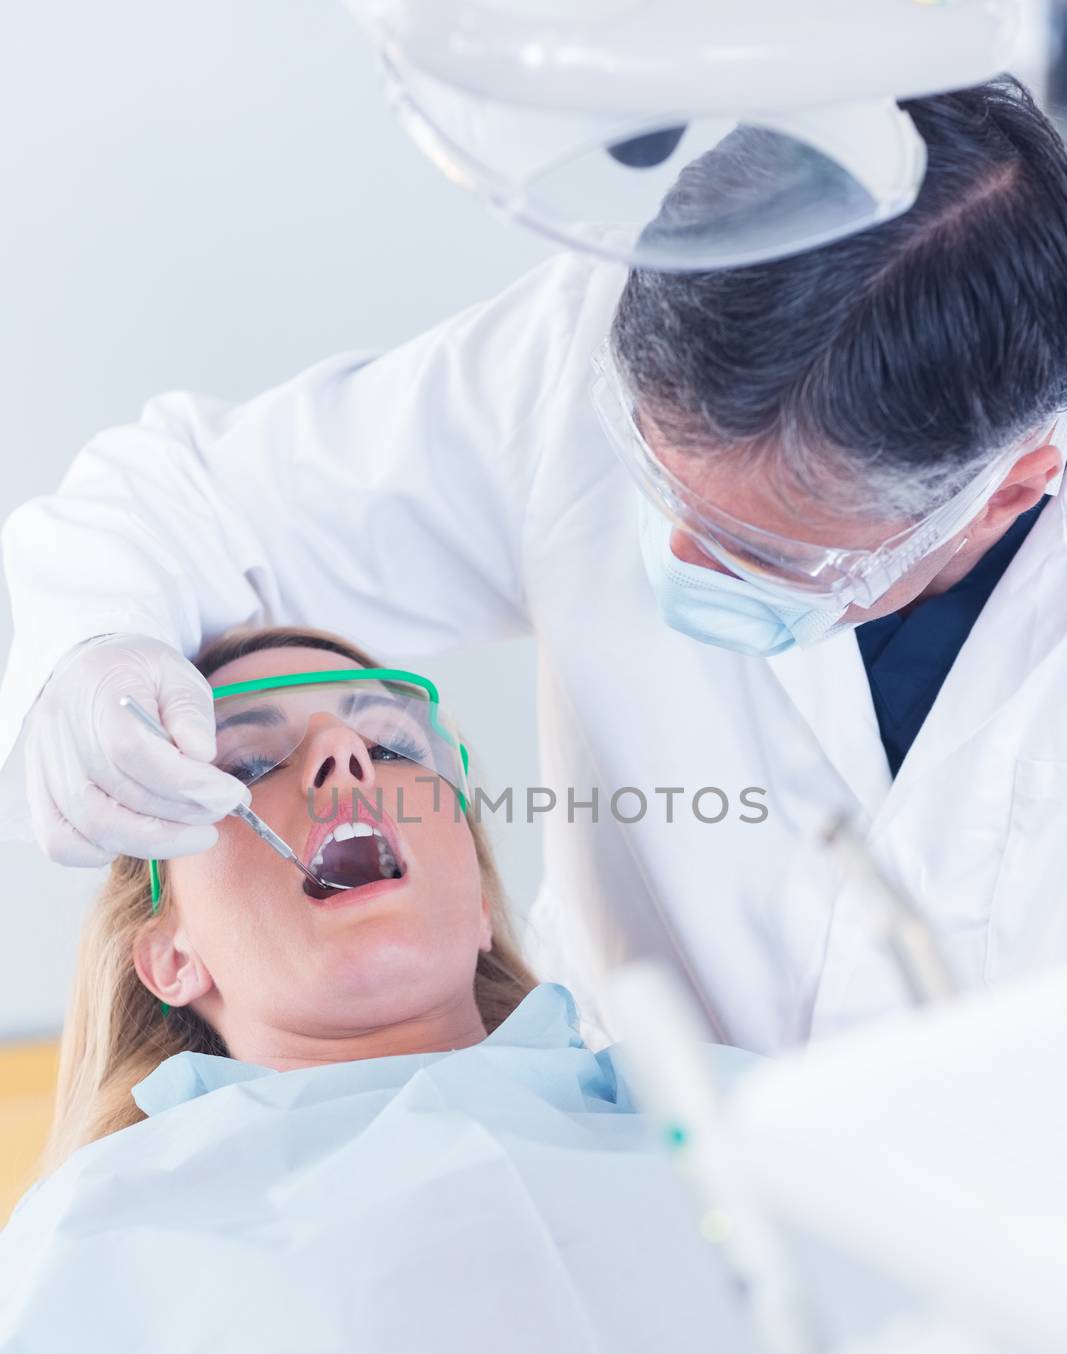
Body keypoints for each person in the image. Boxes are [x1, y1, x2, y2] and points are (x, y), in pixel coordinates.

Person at [3, 78, 1067, 1054]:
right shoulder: (565, 360)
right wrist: (87, 652)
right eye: (654, 484)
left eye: (762, 549)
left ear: (1010, 490)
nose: (674, 557)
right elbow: (177, 506)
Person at [0, 624, 764, 1354]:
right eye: (250, 760)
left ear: (482, 906)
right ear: (170, 957)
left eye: (397, 745)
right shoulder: (82, 1276)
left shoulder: (742, 1117)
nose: (342, 755)